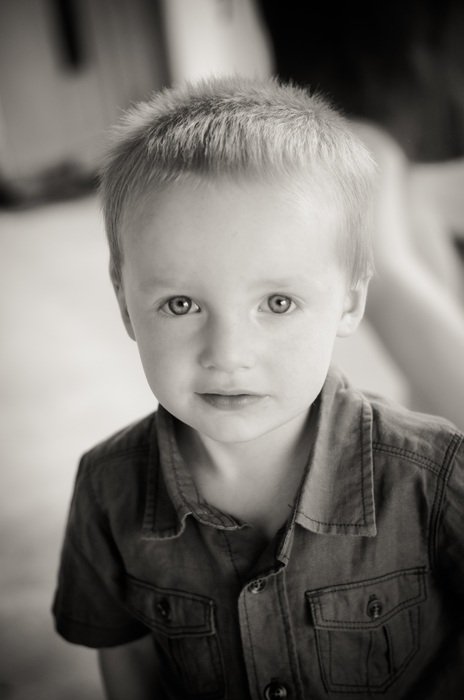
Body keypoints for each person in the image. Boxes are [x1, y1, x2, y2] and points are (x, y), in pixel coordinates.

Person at [52, 77, 464, 699]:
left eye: (277, 302)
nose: (228, 355)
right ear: (125, 304)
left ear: (350, 301)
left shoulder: (434, 478)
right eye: (182, 302)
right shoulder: (107, 488)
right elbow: (127, 664)